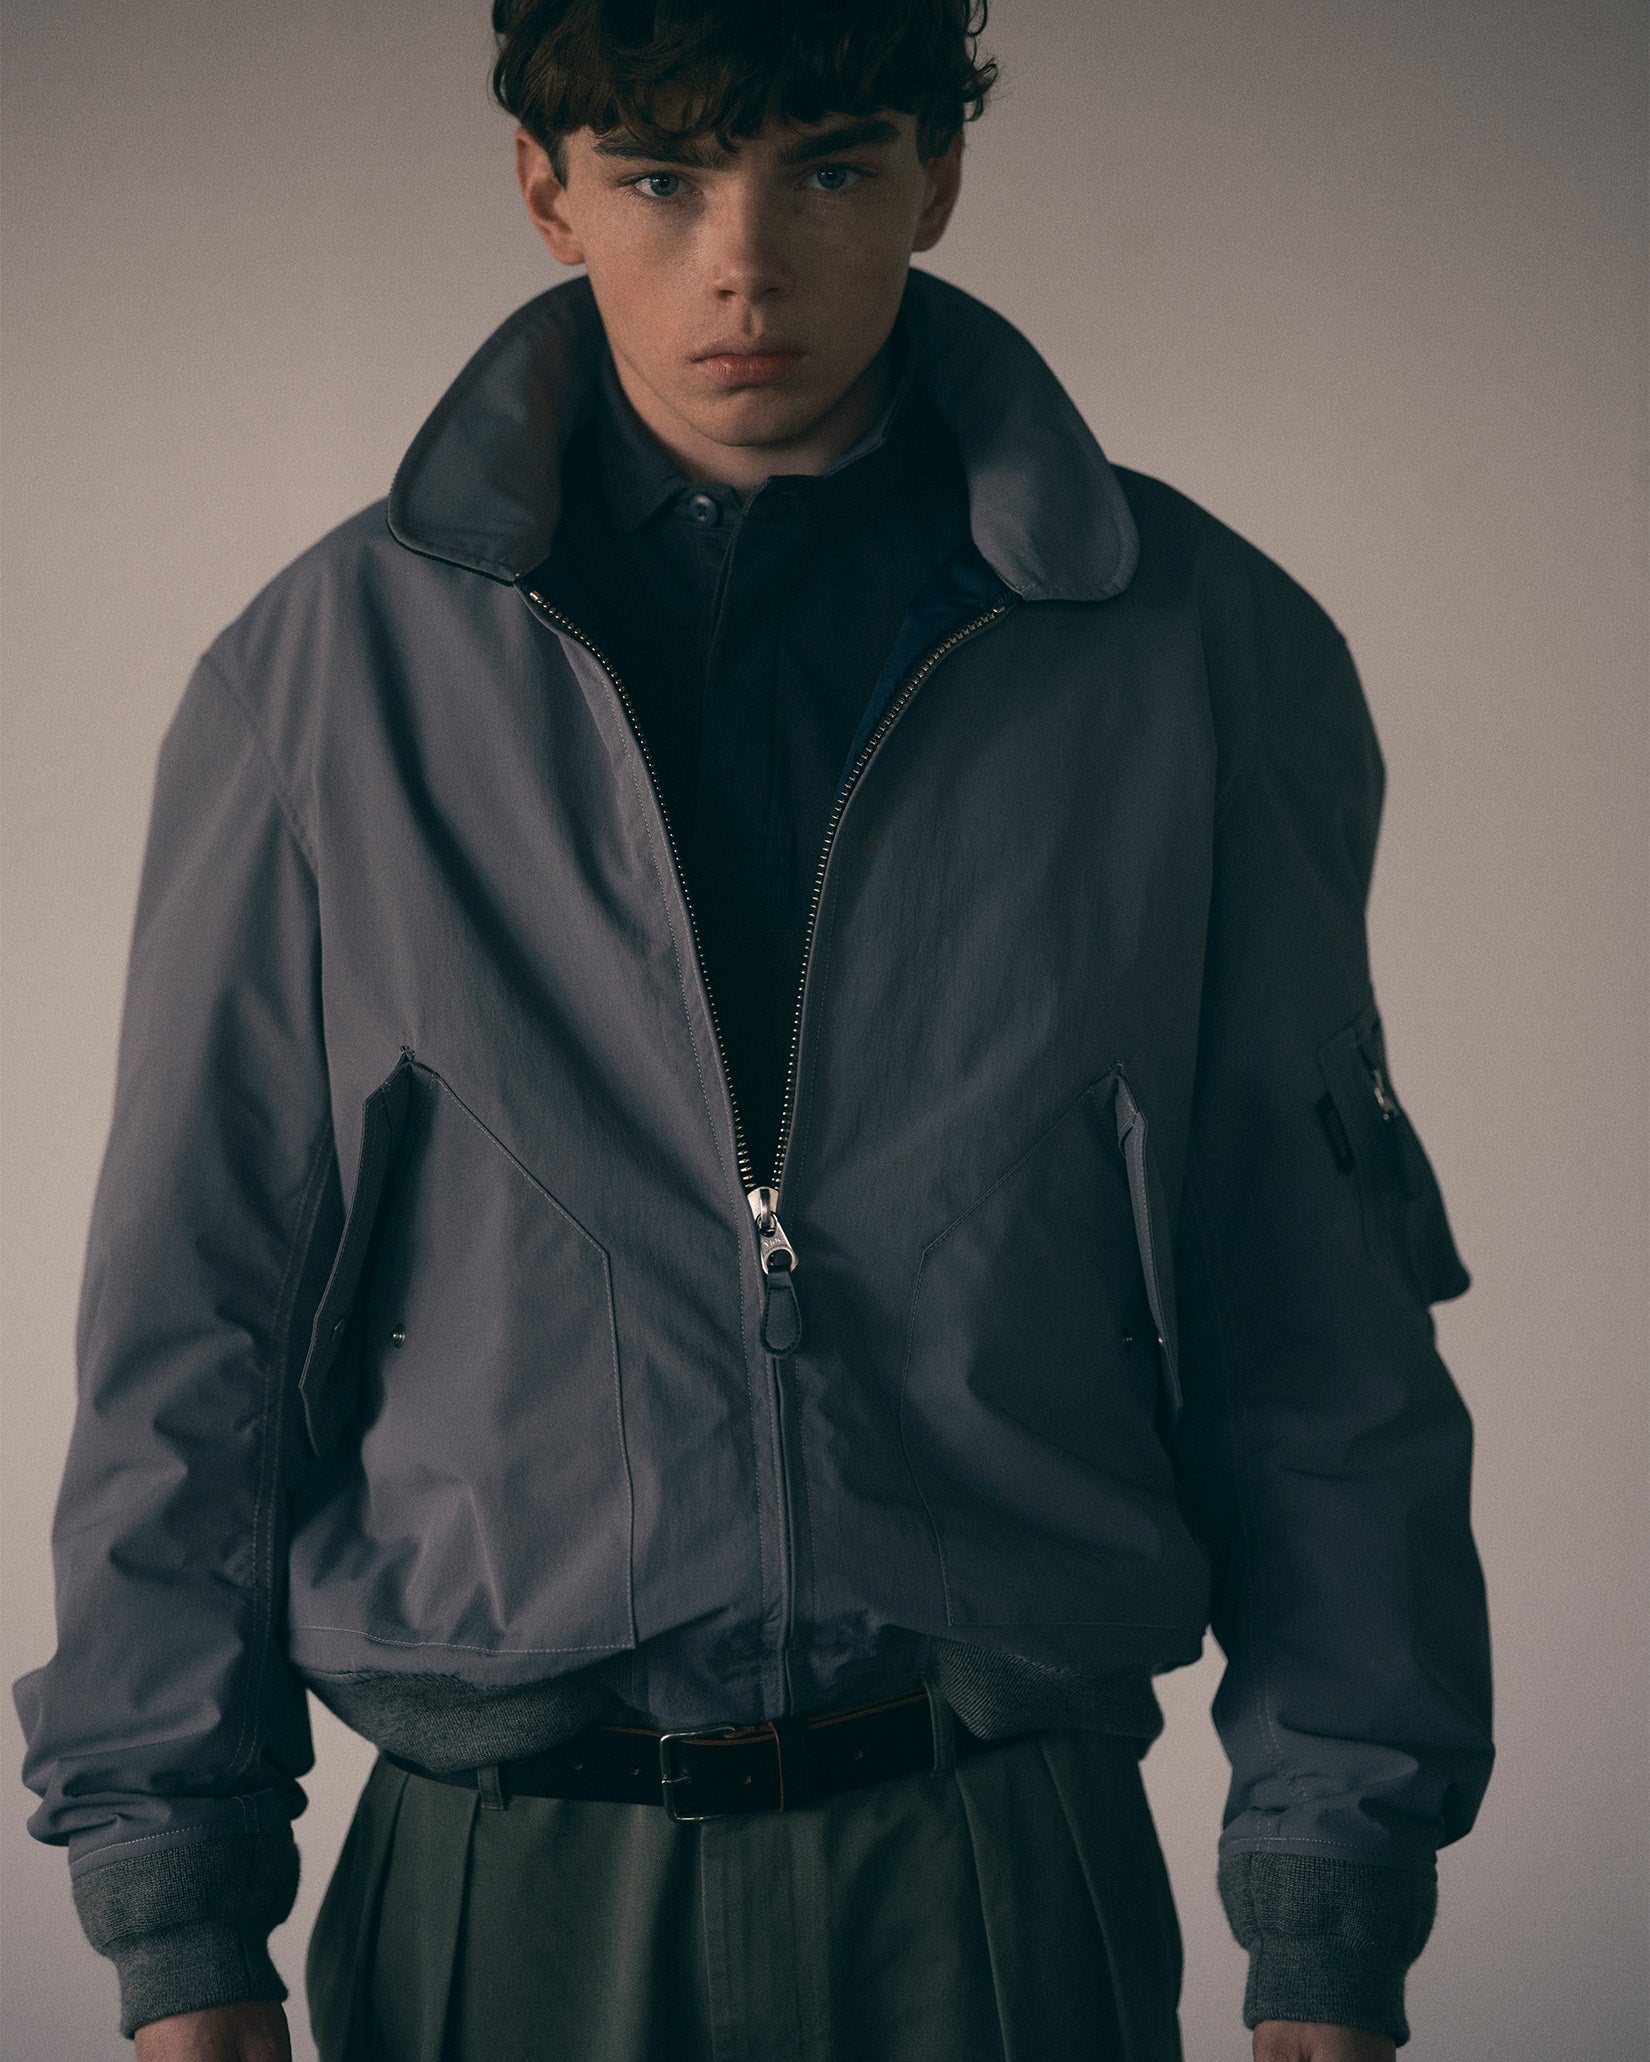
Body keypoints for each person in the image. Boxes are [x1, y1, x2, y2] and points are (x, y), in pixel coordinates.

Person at [14, 3, 1494, 2058]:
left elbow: (1311, 1303)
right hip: (496, 1881)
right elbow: (201, 1311)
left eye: (831, 166)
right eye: (660, 176)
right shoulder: (325, 677)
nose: (744, 261)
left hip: (998, 1865)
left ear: (934, 180)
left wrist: (1332, 1887)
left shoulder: (1199, 651)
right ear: (547, 190)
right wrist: (174, 1895)